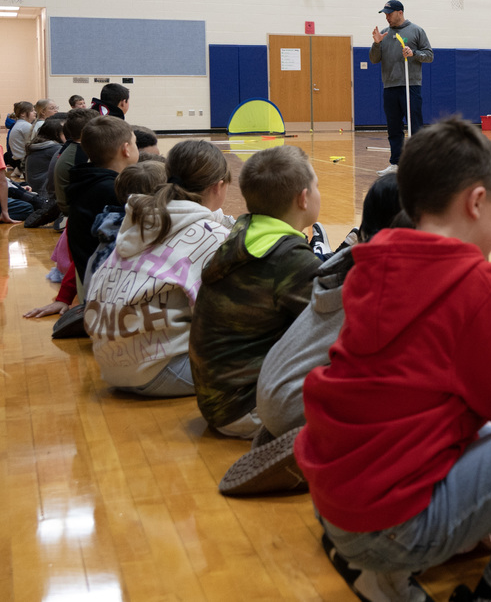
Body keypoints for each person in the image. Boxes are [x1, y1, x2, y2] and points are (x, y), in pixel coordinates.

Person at [296, 117, 491, 602]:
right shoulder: (469, 281)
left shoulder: (377, 262)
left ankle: (383, 572)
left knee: (490, 433)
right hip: (392, 527)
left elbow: (432, 357)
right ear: (476, 201)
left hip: (339, 504)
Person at [218, 173, 403, 497]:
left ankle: (294, 432)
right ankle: (315, 443)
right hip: (288, 402)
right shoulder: (385, 282)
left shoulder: (347, 262)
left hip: (273, 393)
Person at [189, 145, 324, 439]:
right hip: (248, 408)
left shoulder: (243, 232)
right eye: (316, 186)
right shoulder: (289, 259)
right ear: (303, 198)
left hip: (219, 402)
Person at [84, 142, 234, 397]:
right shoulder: (212, 236)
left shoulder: (140, 220)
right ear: (219, 186)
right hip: (160, 369)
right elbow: (218, 320)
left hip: (110, 362)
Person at [65, 117, 139, 285]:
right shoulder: (114, 191)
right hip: (109, 286)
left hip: (90, 279)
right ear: (126, 149)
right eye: (135, 142)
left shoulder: (85, 181)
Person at [369, 0, 433, 177]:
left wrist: (414, 53)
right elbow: (374, 59)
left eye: (389, 13)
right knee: (394, 128)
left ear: (400, 12)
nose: (387, 17)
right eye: (385, 14)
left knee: (415, 127)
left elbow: (429, 55)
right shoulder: (384, 33)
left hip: (410, 85)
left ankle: (418, 163)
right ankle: (396, 163)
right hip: (390, 87)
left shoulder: (416, 31)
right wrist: (376, 44)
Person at [6, 101, 36, 172]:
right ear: (22, 114)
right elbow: (33, 144)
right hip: (23, 161)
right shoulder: (25, 125)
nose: (35, 112)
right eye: (32, 111)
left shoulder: (19, 124)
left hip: (17, 160)